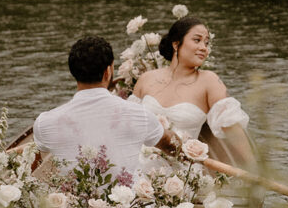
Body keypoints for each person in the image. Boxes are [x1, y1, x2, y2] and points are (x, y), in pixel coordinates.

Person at [33, 35, 181, 179]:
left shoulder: (44, 122)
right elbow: (172, 145)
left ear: (73, 72)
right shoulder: (139, 114)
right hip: (127, 203)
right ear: (108, 71)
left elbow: (33, 157)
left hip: (74, 203)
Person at [131, 14, 253, 164]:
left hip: (179, 173)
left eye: (206, 43)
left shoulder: (209, 81)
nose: (204, 48)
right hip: (136, 165)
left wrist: (255, 170)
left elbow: (232, 128)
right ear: (176, 44)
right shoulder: (147, 79)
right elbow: (127, 124)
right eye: (197, 40)